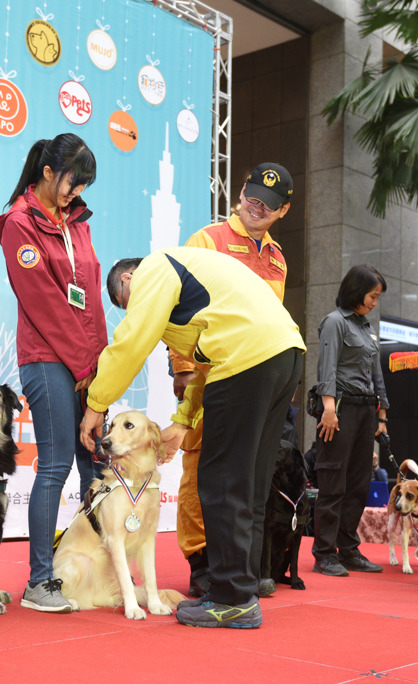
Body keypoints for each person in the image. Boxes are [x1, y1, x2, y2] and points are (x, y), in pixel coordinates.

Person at [79, 248, 305, 628]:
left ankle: (231, 598)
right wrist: (182, 423)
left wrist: (96, 403)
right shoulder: (198, 287)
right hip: (284, 355)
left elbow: (131, 343)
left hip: (245, 360)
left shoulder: (154, 269)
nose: (132, 308)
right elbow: (204, 366)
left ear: (129, 278)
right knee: (249, 483)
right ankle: (241, 591)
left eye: (125, 301)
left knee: (221, 481)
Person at [171, 162, 293, 597]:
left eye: (269, 203)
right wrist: (183, 368)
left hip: (256, 375)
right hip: (209, 372)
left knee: (248, 469)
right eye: (252, 194)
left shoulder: (277, 257)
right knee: (202, 465)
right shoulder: (209, 239)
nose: (257, 205)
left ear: (283, 211)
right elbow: (179, 300)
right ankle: (201, 559)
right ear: (241, 190)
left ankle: (239, 561)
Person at [0, 135, 105, 614]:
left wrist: (101, 368)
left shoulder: (77, 220)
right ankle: (40, 581)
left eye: (83, 183)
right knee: (57, 463)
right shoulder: (19, 223)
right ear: (46, 171)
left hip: (86, 365)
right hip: (46, 357)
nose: (76, 190)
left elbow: (92, 298)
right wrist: (83, 364)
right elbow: (44, 304)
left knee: (94, 466)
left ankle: (91, 569)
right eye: (72, 179)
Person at [311, 265, 389, 577]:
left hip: (365, 411)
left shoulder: (366, 327)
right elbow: (326, 367)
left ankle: (349, 549)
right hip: (338, 409)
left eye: (377, 297)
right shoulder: (334, 322)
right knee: (333, 482)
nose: (374, 302)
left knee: (358, 483)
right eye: (372, 295)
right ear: (357, 291)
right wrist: (328, 408)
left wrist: (382, 415)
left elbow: (376, 373)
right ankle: (325, 553)